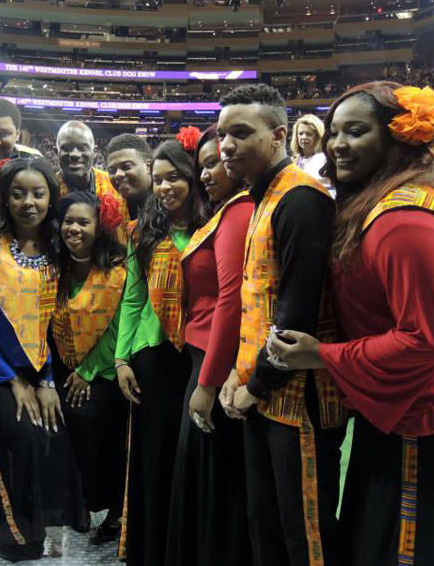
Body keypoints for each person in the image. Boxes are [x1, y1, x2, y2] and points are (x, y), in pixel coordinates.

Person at [269, 82, 434, 566]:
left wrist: (320, 354)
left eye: (356, 132)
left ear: (397, 140)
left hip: (424, 413)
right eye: (334, 132)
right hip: (405, 407)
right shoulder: (384, 202)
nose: (338, 144)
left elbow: (426, 341)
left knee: (407, 546)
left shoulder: (405, 219)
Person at [217, 84, 347, 566]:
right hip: (266, 392)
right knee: (266, 524)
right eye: (223, 134)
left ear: (278, 136)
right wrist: (238, 373)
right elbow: (259, 304)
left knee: (305, 532)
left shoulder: (301, 201)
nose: (227, 145)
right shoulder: (265, 196)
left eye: (241, 133)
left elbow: (297, 311)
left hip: (300, 399)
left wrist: (258, 384)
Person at [0, 156, 84, 562]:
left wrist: (45, 381)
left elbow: (52, 325)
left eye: (38, 194)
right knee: (15, 438)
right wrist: (13, 380)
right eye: (18, 194)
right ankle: (9, 534)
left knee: (46, 437)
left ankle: (36, 531)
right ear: (5, 198)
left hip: (39, 368)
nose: (29, 202)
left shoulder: (58, 249)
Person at [165, 126, 254, 566]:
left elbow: (230, 299)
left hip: (214, 365)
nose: (206, 173)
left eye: (214, 162)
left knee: (214, 476)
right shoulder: (227, 211)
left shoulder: (239, 213)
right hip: (204, 356)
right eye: (201, 165)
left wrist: (208, 379)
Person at [114, 133, 202, 566]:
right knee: (154, 454)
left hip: (199, 356)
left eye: (175, 178)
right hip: (151, 356)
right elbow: (132, 297)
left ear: (193, 178)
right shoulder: (144, 231)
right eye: (159, 179)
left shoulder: (213, 225)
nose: (165, 187)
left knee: (192, 455)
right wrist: (121, 358)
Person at [50, 191, 128, 544]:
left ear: (100, 227)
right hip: (64, 366)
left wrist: (88, 371)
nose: (75, 228)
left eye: (84, 221)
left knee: (91, 416)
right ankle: (76, 501)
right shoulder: (55, 268)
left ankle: (115, 507)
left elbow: (117, 328)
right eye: (69, 221)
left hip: (106, 370)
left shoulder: (116, 270)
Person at [56, 121, 129, 237]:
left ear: (94, 152)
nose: (75, 154)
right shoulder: (48, 189)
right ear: (57, 152)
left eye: (82, 148)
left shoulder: (113, 184)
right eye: (66, 148)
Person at [105, 134, 152, 221]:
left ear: (148, 166)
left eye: (126, 167)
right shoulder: (112, 212)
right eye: (112, 171)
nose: (117, 174)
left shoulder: (170, 206)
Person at [291, 113, 327, 183]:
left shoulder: (325, 160)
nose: (304, 137)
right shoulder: (293, 160)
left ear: (318, 137)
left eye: (309, 134)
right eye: (300, 134)